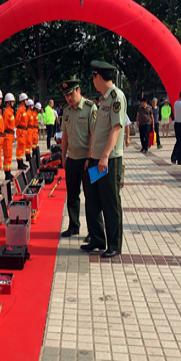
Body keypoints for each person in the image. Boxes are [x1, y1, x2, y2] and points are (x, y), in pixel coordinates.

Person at [80, 60, 127, 258]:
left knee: (110, 203)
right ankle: (97, 239)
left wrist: (105, 156)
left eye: (93, 77)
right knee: (92, 200)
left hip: (108, 161)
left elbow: (116, 128)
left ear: (97, 77)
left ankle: (114, 244)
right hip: (96, 159)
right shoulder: (104, 99)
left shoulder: (116, 97)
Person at [58, 79, 97, 243]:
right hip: (72, 159)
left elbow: (94, 135)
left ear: (78, 90)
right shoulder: (66, 111)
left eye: (71, 94)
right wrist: (63, 157)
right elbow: (65, 135)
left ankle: (93, 231)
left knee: (91, 196)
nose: (69, 98)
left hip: (86, 160)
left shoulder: (90, 108)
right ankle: (73, 225)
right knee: (72, 194)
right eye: (66, 95)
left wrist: (89, 157)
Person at [2, 93, 16, 180]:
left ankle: (8, 172)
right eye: (12, 102)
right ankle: (7, 173)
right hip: (7, 137)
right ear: (8, 102)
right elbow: (4, 125)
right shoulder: (7, 113)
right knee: (7, 156)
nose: (13, 103)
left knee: (9, 155)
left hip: (9, 136)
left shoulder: (10, 112)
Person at [15, 93, 29, 169]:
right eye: (26, 100)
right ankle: (19, 163)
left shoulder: (23, 110)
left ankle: (21, 161)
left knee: (22, 147)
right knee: (20, 147)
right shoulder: (20, 110)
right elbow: (17, 121)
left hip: (23, 130)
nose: (27, 101)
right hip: (21, 130)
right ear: (23, 101)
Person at [25, 98, 35, 164]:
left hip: (31, 129)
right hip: (28, 129)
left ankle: (28, 154)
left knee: (30, 143)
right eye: (32, 105)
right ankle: (27, 155)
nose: (33, 106)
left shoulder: (31, 113)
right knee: (28, 144)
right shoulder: (28, 113)